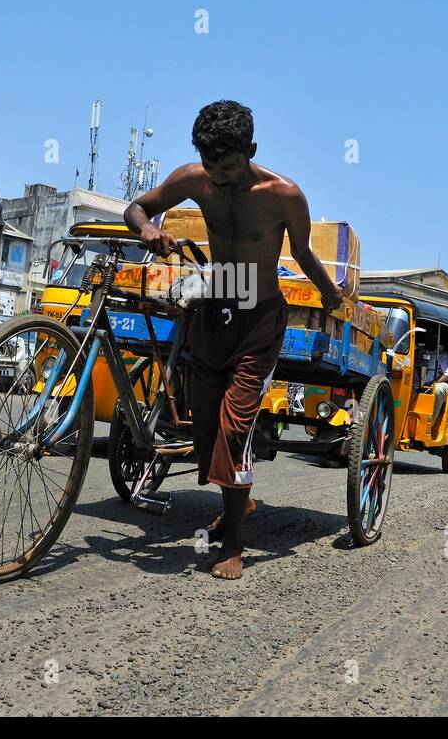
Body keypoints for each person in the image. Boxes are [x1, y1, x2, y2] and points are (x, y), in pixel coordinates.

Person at [125, 100, 345, 580]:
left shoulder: (284, 195)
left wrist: (331, 295)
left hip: (259, 324)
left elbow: (304, 253)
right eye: (209, 165)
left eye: (227, 166)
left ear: (251, 150)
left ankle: (233, 545)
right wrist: (147, 229)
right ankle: (235, 503)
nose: (218, 177)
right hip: (214, 311)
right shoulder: (192, 178)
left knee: (233, 427)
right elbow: (138, 206)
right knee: (203, 430)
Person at [425, 343, 448, 437]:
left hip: (438, 384)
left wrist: (434, 383)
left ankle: (431, 423)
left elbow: (447, 375)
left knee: (436, 390)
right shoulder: (425, 353)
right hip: (425, 384)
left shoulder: (444, 355)